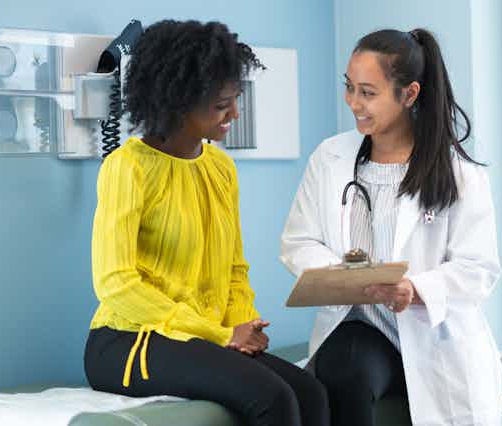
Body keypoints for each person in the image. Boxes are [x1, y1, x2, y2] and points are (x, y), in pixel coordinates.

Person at [84, 19, 329, 426]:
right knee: (272, 398)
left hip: (201, 337)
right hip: (127, 340)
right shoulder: (127, 167)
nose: (234, 112)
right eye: (221, 105)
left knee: (311, 393)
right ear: (177, 102)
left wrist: (242, 325)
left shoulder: (219, 167)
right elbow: (116, 283)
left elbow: (233, 268)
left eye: (235, 99)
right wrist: (219, 335)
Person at [280, 28, 502, 426]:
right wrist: (340, 276)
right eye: (349, 88)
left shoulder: (459, 174)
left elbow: (478, 268)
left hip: (433, 337)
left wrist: (415, 289)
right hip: (362, 329)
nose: (353, 103)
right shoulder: (330, 157)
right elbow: (300, 239)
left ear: (409, 94)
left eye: (368, 93)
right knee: (342, 368)